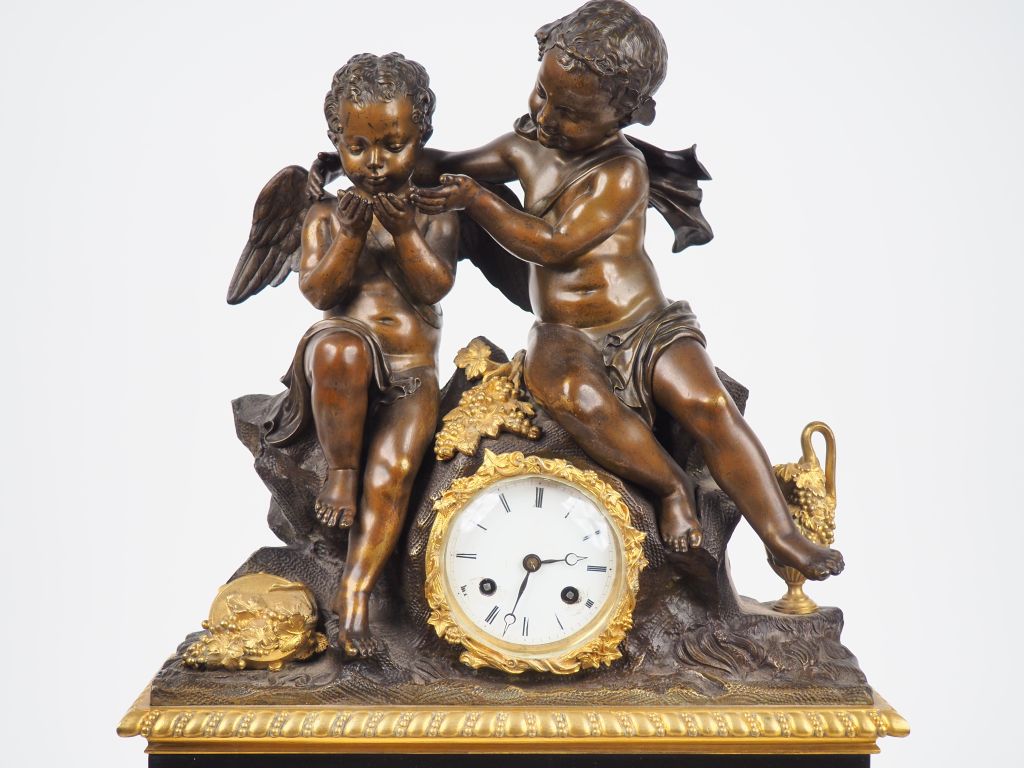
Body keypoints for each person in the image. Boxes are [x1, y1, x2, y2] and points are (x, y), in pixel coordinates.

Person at [409, 1, 843, 580]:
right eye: (542, 94)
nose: (546, 117)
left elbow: (555, 245)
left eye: (571, 113)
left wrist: (477, 199)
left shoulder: (621, 170)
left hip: (645, 324)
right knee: (572, 395)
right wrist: (380, 159)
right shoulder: (523, 145)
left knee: (707, 404)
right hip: (564, 331)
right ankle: (670, 487)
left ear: (627, 115)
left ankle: (782, 535)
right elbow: (445, 164)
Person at [281, 52, 458, 655]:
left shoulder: (434, 211)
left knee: (395, 471)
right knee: (340, 346)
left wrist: (404, 231)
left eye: (392, 145)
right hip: (339, 361)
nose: (375, 162)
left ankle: (355, 589)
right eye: (357, 147)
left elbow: (432, 287)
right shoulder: (325, 215)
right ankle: (340, 472)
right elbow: (320, 293)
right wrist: (351, 237)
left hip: (410, 370)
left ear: (420, 137)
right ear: (337, 141)